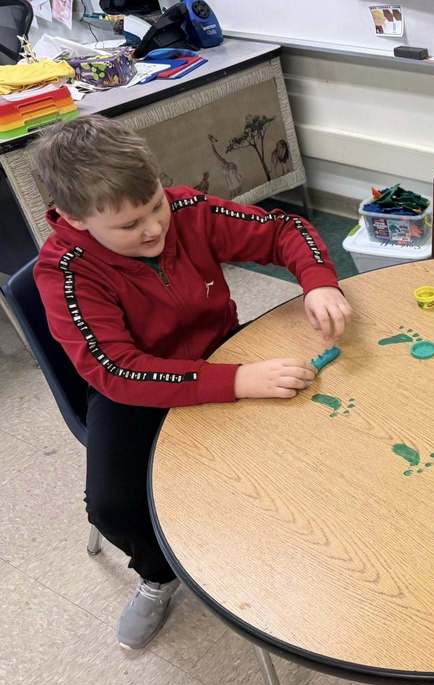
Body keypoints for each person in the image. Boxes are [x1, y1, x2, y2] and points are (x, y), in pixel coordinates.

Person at [33, 116, 353, 649]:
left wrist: (318, 282)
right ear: (73, 218)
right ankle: (156, 576)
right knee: (112, 505)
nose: (155, 228)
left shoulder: (186, 209)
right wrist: (236, 382)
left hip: (221, 349)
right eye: (130, 225)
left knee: (319, 407)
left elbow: (282, 230)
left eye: (155, 204)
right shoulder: (65, 271)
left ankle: (313, 529)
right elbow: (116, 369)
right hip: (133, 387)